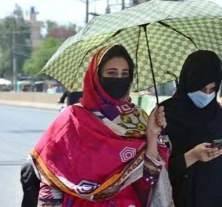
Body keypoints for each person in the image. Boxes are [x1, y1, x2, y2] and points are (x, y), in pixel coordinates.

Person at [26, 45, 174, 207]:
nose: (119, 79)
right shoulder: (72, 119)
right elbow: (52, 179)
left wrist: (152, 135)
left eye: (125, 74)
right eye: (111, 73)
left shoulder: (138, 119)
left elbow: (148, 180)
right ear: (96, 77)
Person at [160, 50, 222, 207]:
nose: (206, 94)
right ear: (188, 82)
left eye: (212, 89)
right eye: (200, 89)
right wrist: (191, 156)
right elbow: (155, 171)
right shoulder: (165, 114)